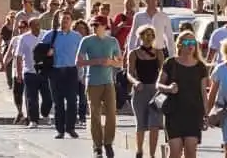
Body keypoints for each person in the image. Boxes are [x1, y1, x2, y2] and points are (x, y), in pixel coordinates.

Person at [81, 11, 125, 158]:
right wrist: (95, 61)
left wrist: (111, 62)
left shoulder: (112, 41)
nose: (94, 27)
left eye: (97, 25)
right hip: (92, 81)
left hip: (108, 82)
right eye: (93, 25)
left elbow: (120, 63)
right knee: (95, 115)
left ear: (104, 26)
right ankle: (97, 146)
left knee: (112, 113)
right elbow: (78, 62)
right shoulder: (86, 41)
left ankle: (108, 142)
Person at [157, 32, 207, 158]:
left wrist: (206, 114)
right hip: (174, 113)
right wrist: (168, 88)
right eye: (186, 43)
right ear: (179, 45)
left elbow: (203, 93)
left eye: (192, 43)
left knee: (191, 151)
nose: (190, 46)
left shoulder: (200, 66)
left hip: (194, 113)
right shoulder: (170, 63)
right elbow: (158, 85)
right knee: (175, 151)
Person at [126, 25, 168, 158]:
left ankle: (152, 154)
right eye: (146, 35)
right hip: (140, 91)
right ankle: (139, 151)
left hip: (155, 91)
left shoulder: (158, 52)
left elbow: (163, 71)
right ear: (140, 36)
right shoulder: (134, 53)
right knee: (141, 124)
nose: (148, 38)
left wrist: (162, 86)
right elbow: (129, 73)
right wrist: (135, 82)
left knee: (154, 124)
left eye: (151, 35)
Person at [49, 13, 85, 139]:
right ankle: (60, 130)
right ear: (59, 20)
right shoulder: (51, 35)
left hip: (71, 71)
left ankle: (70, 128)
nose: (65, 21)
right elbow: (39, 51)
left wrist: (82, 72)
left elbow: (82, 55)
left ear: (71, 21)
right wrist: (48, 52)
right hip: (56, 71)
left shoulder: (77, 37)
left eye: (67, 19)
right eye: (63, 19)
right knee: (58, 102)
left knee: (72, 101)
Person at [14, 17, 49, 127]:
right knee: (32, 98)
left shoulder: (46, 35)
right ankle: (33, 120)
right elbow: (18, 56)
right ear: (30, 27)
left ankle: (45, 112)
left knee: (48, 97)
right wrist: (19, 74)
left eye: (38, 24)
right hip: (29, 71)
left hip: (45, 71)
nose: (37, 27)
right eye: (34, 25)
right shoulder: (24, 38)